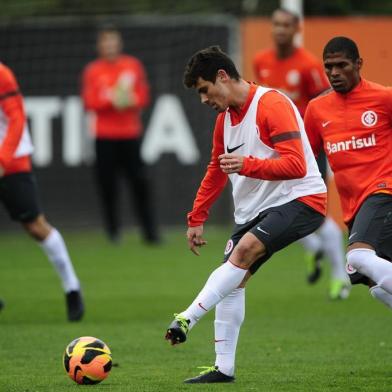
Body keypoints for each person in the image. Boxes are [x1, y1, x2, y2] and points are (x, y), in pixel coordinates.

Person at [164, 46, 327, 383]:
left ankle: (186, 318)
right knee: (233, 282)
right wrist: (196, 217)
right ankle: (224, 368)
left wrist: (247, 165)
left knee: (242, 252)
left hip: (302, 198)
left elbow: (297, 165)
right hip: (256, 210)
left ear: (222, 76)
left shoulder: (271, 104)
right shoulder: (224, 121)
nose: (204, 100)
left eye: (204, 90)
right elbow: (216, 170)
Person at [253, 8, 349, 299]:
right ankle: (314, 247)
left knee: (314, 213)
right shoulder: (262, 61)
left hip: (307, 150)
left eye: (286, 25)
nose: (280, 30)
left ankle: (339, 277)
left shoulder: (308, 65)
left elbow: (324, 102)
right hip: (276, 151)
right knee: (272, 209)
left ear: (296, 29)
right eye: (276, 24)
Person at [305, 36, 392, 309]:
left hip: (383, 190)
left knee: (357, 258)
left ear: (358, 64)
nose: (334, 73)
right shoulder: (317, 109)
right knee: (369, 280)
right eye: (328, 66)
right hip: (353, 206)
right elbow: (304, 158)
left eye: (341, 65)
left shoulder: (384, 98)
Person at [0, 62, 84, 321]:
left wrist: (2, 160)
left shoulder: (2, 74)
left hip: (11, 160)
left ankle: (72, 287)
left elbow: (16, 117)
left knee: (36, 226)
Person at [81, 25, 160, 244]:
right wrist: (112, 100)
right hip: (104, 136)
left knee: (140, 183)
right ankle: (113, 233)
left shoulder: (132, 66)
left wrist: (128, 100)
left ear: (119, 43)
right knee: (108, 186)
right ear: (100, 45)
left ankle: (150, 234)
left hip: (129, 135)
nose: (110, 46)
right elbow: (90, 102)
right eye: (105, 42)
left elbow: (142, 97)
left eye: (113, 41)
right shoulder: (93, 70)